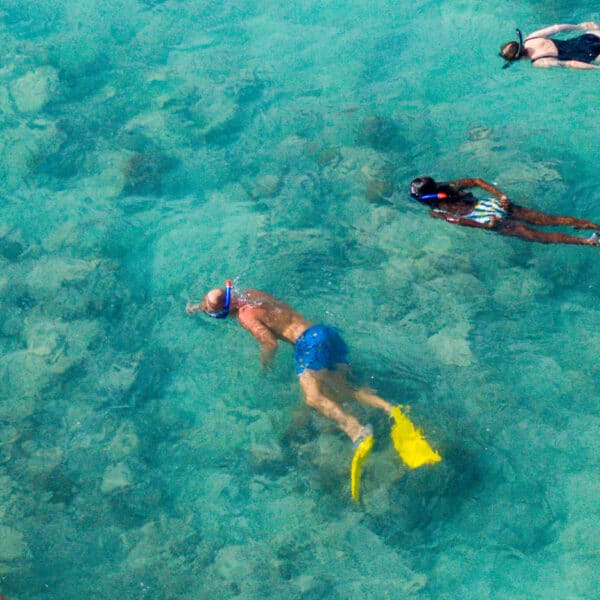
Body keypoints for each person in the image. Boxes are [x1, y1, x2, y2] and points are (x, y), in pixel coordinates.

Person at [186, 282, 441, 502]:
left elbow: (270, 342)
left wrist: (265, 364)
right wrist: (198, 308)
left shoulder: (245, 316)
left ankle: (356, 431)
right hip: (324, 333)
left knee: (313, 398)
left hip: (307, 345)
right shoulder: (251, 294)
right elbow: (221, 301)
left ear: (227, 312)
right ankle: (390, 408)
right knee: (343, 390)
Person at [409, 176, 600, 246]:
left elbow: (457, 220)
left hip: (485, 218)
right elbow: (477, 181)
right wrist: (502, 197)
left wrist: (485, 226)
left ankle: (588, 241)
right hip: (490, 205)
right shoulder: (449, 186)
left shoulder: (435, 209)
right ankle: (594, 226)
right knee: (549, 219)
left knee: (538, 235)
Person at [500, 22, 600, 69]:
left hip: (589, 54)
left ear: (519, 59)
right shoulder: (531, 38)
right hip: (587, 38)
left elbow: (571, 63)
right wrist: (580, 26)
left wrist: (597, 68)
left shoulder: (538, 61)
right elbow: (558, 28)